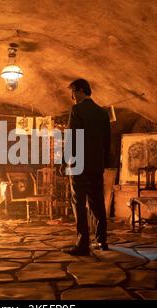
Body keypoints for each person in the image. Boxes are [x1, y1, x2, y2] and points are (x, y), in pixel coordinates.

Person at [64, 79, 111, 256]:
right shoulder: (103, 113)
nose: (72, 96)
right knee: (97, 201)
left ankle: (83, 243)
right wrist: (104, 163)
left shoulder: (77, 110)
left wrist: (66, 162)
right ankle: (102, 240)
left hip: (79, 163)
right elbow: (107, 141)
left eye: (74, 91)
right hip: (96, 164)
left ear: (82, 90)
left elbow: (72, 137)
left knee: (79, 201)